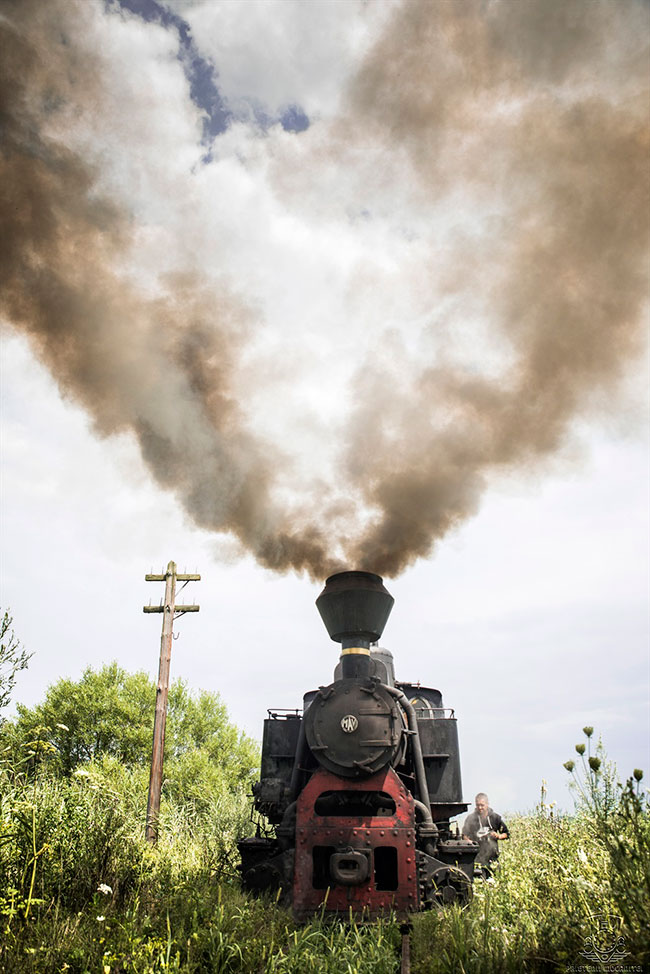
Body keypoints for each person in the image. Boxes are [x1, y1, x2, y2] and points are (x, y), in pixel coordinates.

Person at [463, 793, 509, 876]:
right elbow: (464, 835)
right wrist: (469, 842)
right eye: (478, 805)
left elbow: (506, 834)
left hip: (493, 858)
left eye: (482, 805)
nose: (480, 808)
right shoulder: (471, 818)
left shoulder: (495, 818)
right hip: (477, 858)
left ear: (487, 804)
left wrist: (498, 836)